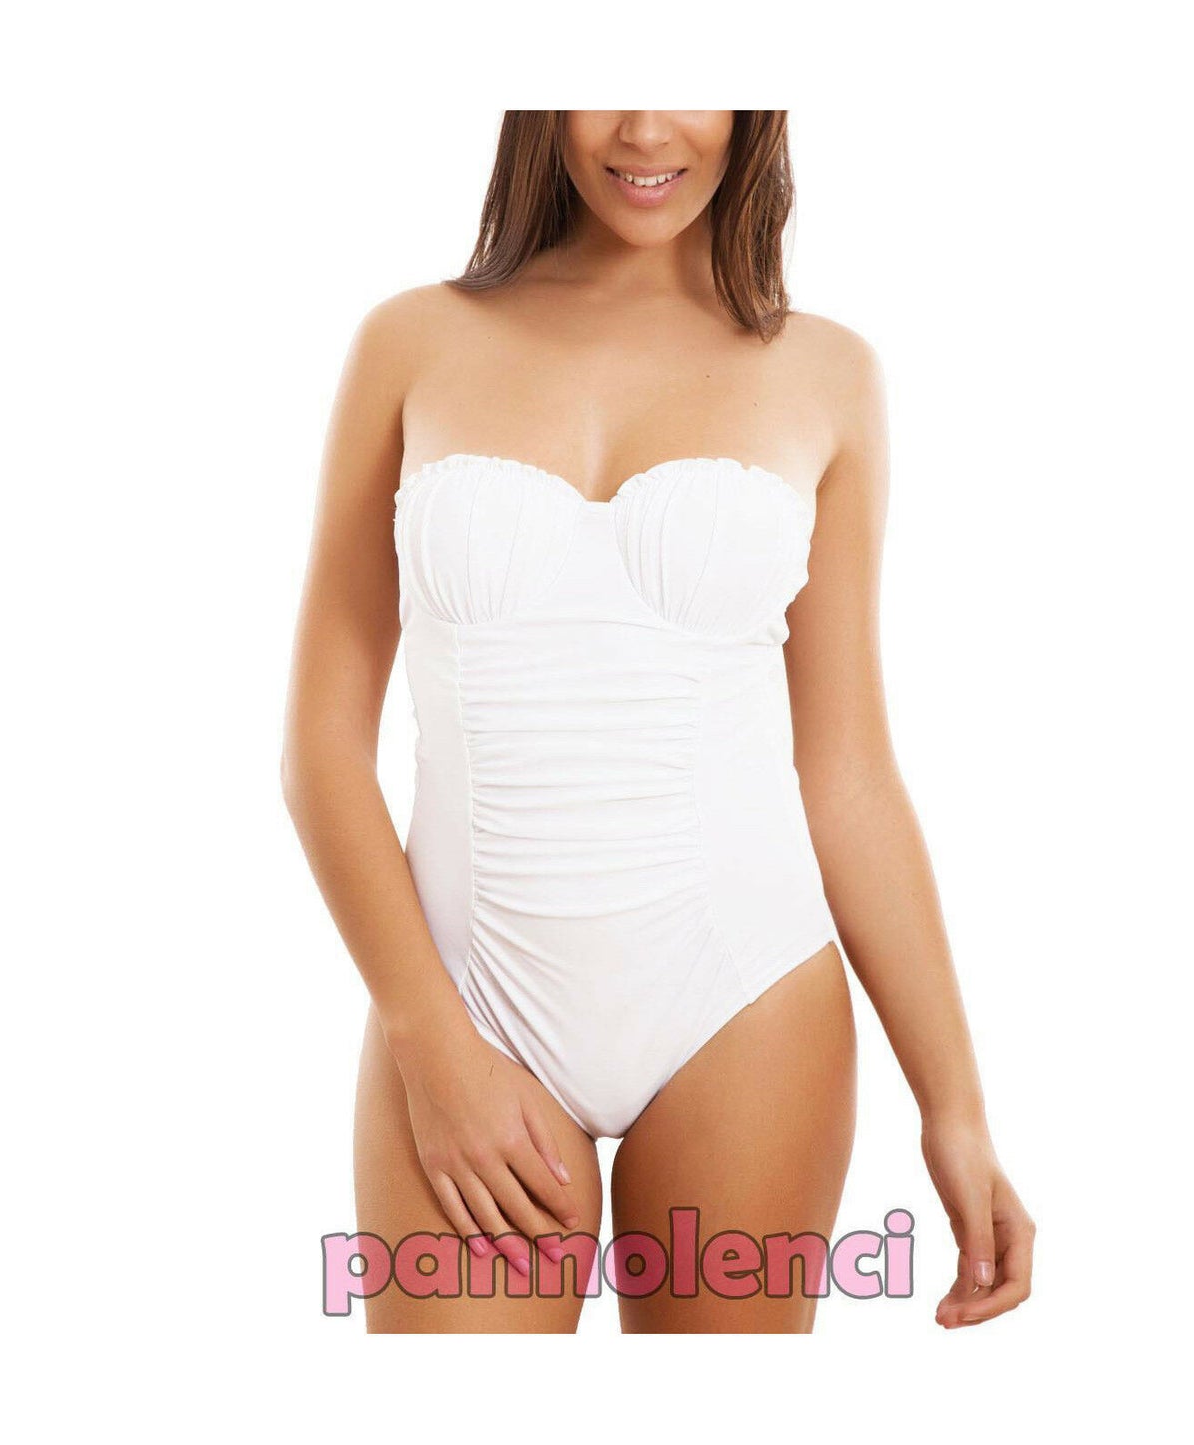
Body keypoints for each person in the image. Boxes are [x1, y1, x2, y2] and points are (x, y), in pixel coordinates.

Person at [282, 110, 1035, 1332]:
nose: (643, 130)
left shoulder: (826, 372)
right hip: (464, 1000)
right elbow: (320, 745)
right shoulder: (410, 342)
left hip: (744, 1001)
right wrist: (430, 1041)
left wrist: (953, 1107)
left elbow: (845, 770)